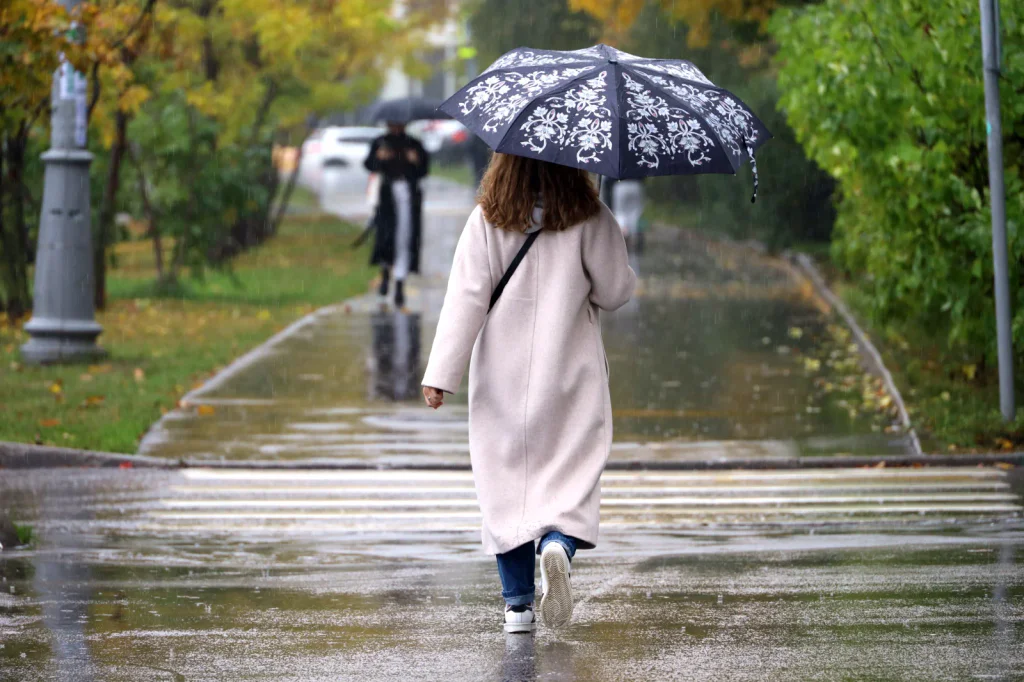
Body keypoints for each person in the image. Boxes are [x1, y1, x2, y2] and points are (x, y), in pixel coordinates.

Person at [420, 153, 636, 633]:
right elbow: (616, 292)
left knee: (506, 490)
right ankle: (558, 543)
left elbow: (466, 298)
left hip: (503, 377)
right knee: (570, 477)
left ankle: (517, 606)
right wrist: (605, 229)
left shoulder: (487, 220)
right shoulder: (588, 217)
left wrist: (441, 375)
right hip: (570, 376)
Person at [363, 121, 430, 308]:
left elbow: (424, 170)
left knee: (404, 239)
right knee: (386, 238)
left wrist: (415, 160)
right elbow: (370, 165)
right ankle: (385, 274)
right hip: (386, 198)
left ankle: (400, 283)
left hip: (408, 198)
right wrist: (380, 158)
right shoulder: (380, 143)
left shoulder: (413, 144)